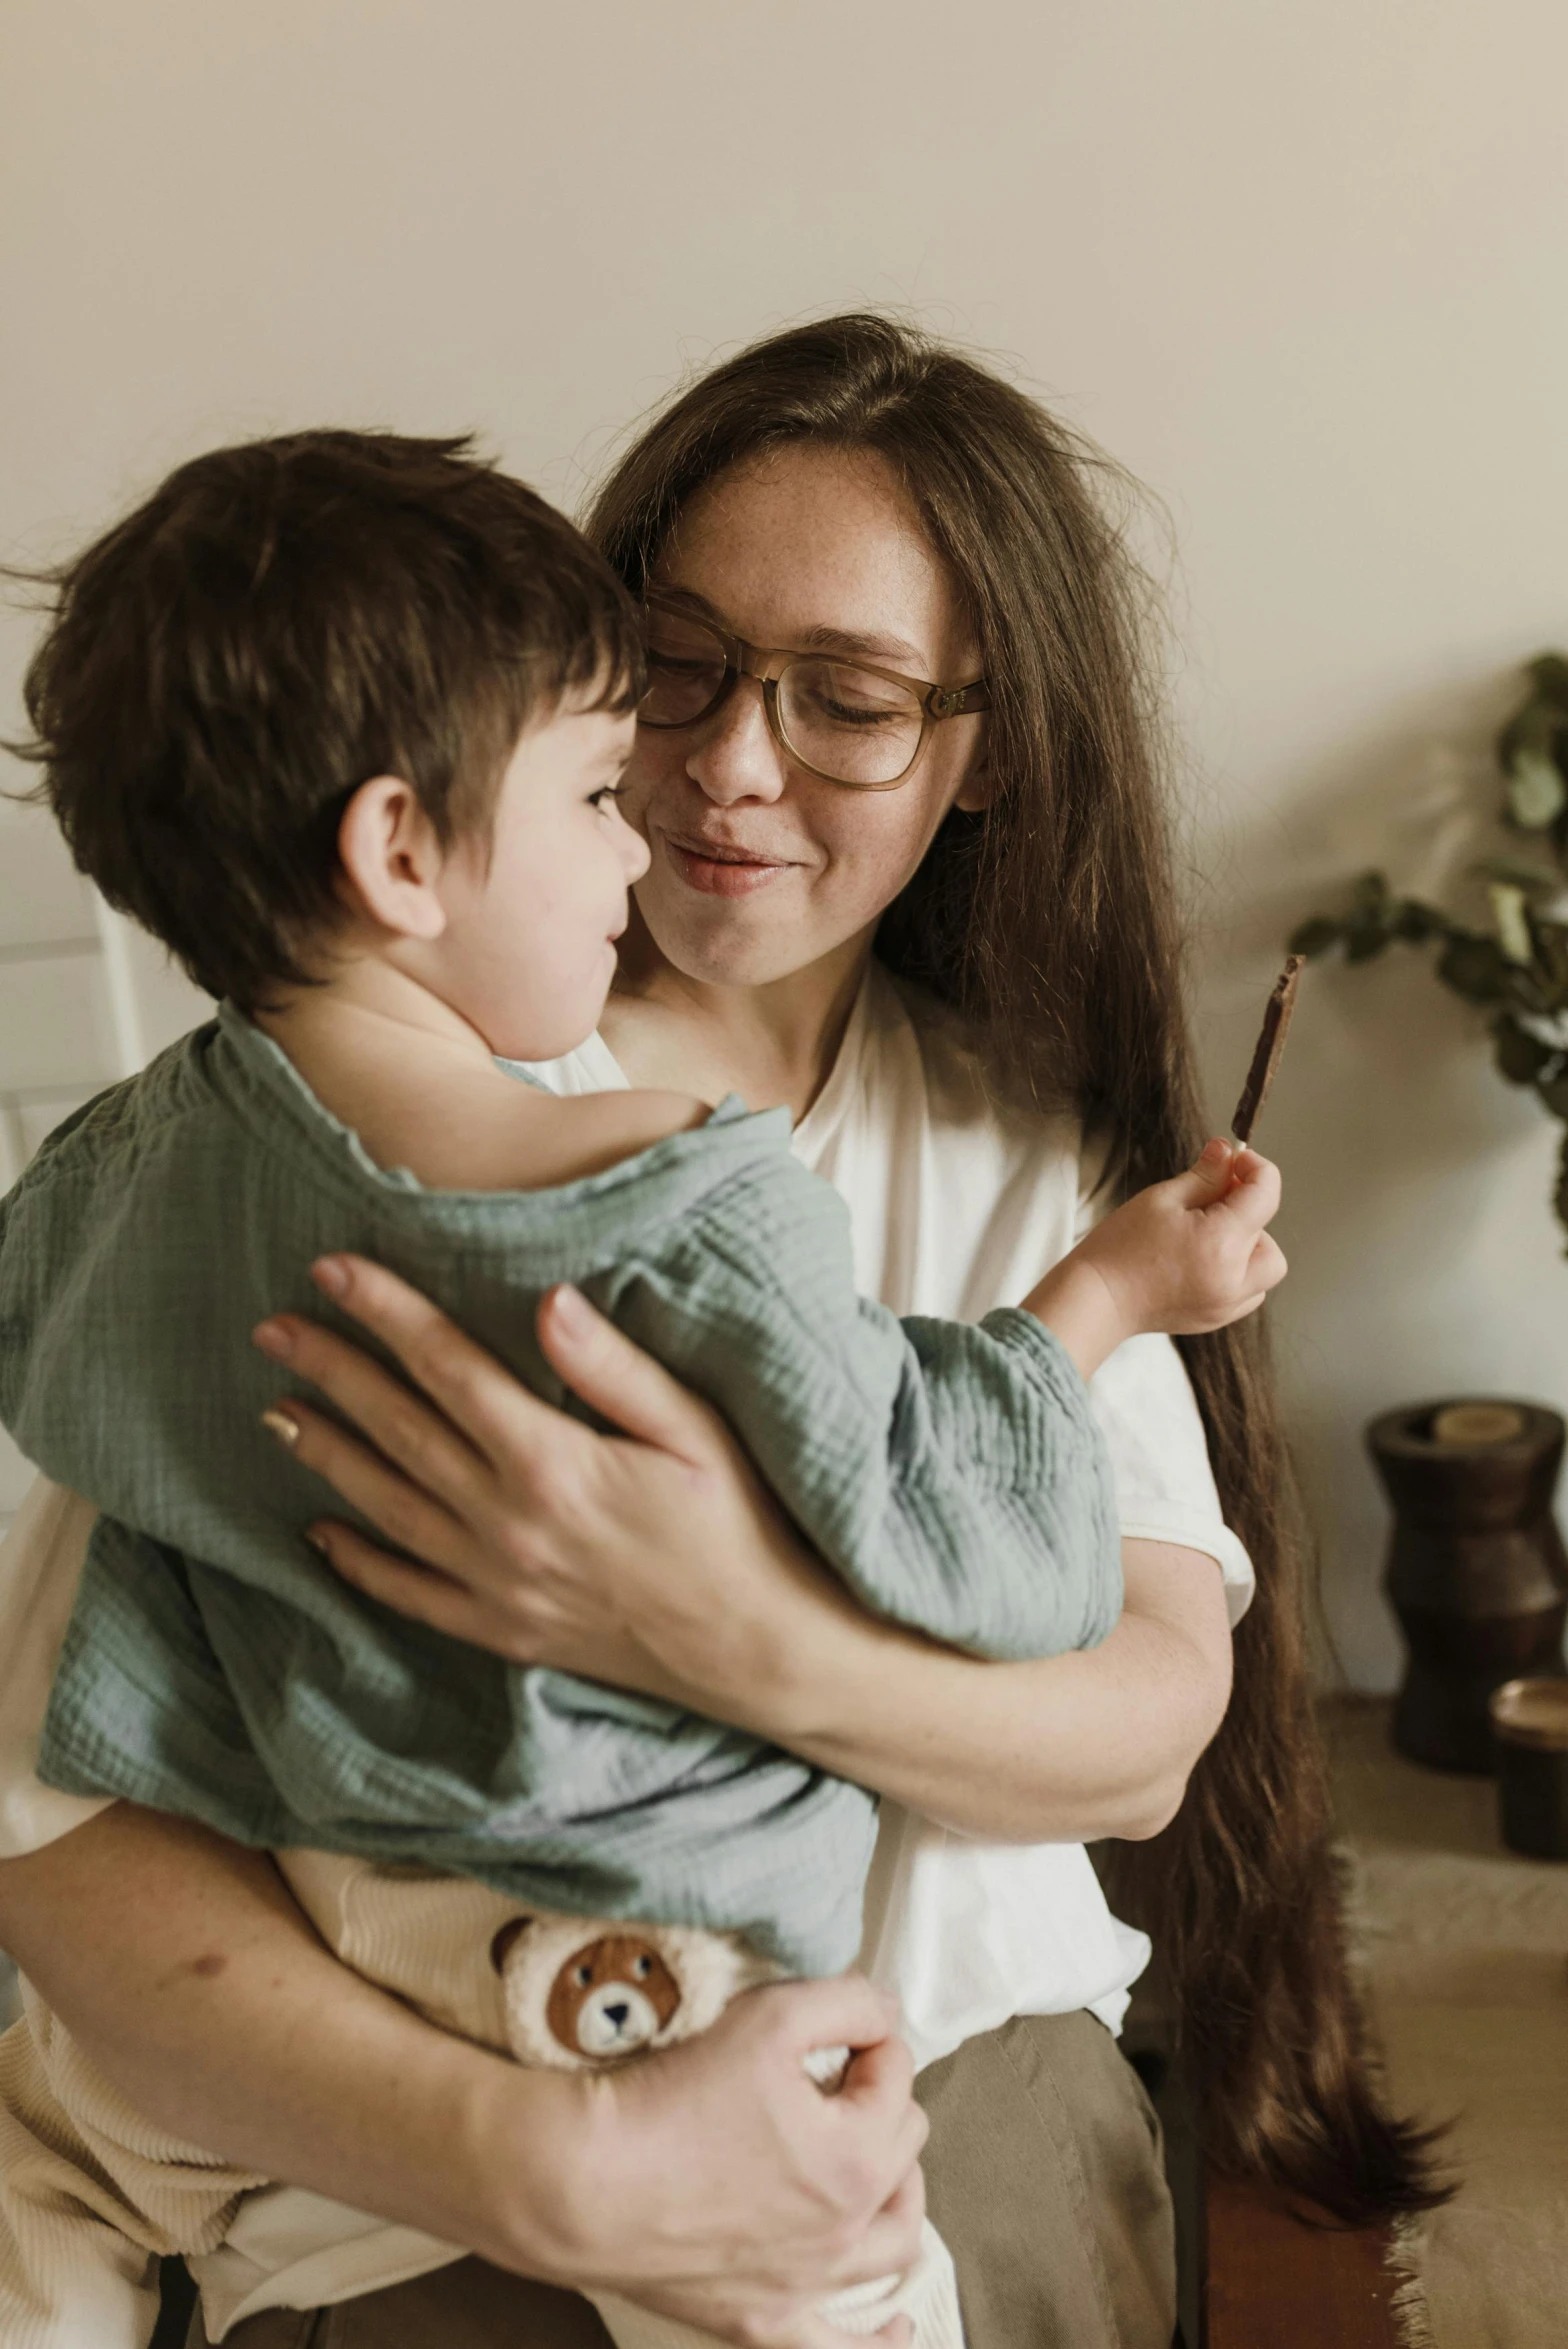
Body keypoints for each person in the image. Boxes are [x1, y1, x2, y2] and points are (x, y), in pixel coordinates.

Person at [0, 315, 1440, 2349]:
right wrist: (537, 2163)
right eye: (671, 668)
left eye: (844, 700)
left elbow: (1137, 1737)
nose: (724, 765)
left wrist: (712, 1627)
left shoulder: (1026, 1146)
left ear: (986, 748)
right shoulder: (332, 1113)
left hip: (922, 2091)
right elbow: (55, 1808)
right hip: (396, 2157)